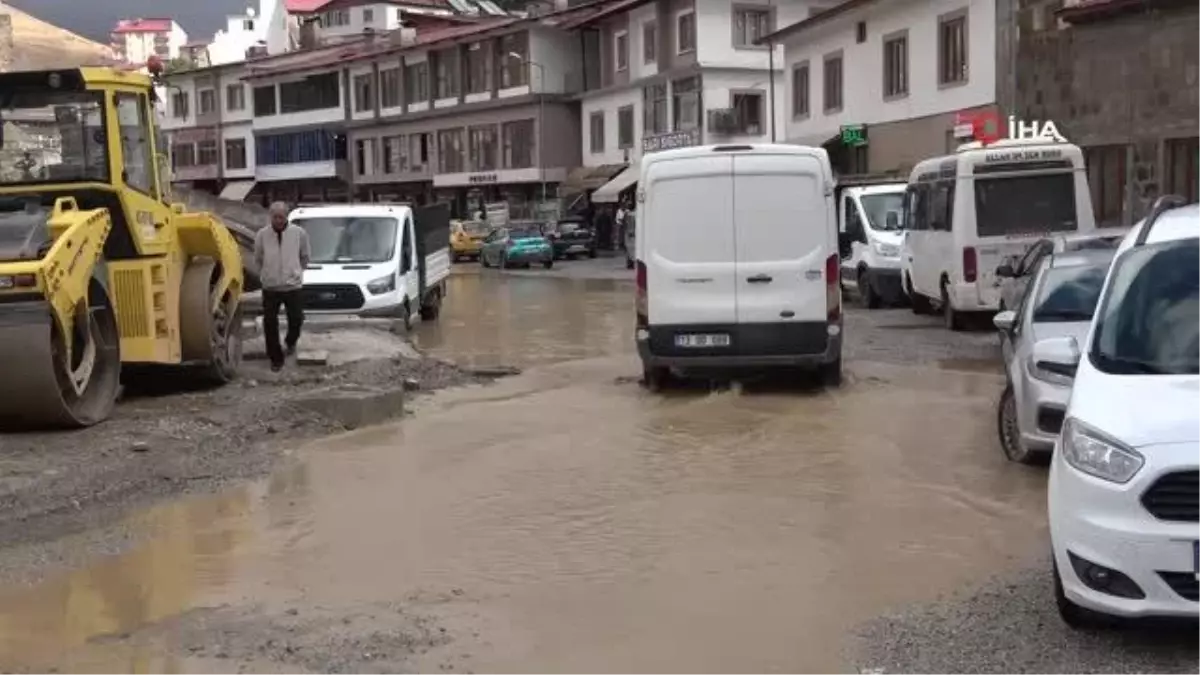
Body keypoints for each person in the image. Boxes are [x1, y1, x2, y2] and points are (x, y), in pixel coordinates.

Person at [254, 201, 311, 372]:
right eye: (275, 217)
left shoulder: (299, 233)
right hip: (270, 287)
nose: (278, 220)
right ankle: (276, 358)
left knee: (297, 318)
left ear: (286, 216)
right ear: (270, 216)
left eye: (281, 217)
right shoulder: (262, 235)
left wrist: (296, 272)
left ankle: (290, 341)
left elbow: (305, 256)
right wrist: (266, 274)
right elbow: (258, 257)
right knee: (270, 322)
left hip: (292, 286)